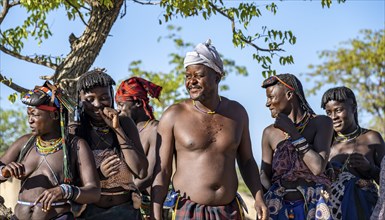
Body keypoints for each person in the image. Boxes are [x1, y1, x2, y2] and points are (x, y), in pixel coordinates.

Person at [151, 39, 268, 220]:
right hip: (188, 210)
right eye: (188, 76)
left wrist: (258, 197)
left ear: (217, 77)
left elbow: (246, 161)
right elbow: (163, 170)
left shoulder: (237, 113)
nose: (192, 81)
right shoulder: (174, 115)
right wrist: (156, 213)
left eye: (198, 75)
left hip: (229, 211)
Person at [0, 82, 100, 220]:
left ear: (54, 115)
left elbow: (94, 192)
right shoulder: (25, 142)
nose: (30, 120)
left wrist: (65, 191)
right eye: (28, 114)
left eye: (35, 115)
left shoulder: (75, 146)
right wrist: (4, 172)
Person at [75, 69, 149, 219]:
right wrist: (98, 175)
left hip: (127, 211)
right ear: (80, 99)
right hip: (90, 212)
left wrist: (117, 129)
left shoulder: (125, 123)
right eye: (89, 99)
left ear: (111, 97)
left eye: (104, 97)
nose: (97, 104)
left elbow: (141, 171)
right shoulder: (76, 130)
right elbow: (70, 179)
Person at [260, 74, 333, 219]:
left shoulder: (321, 123)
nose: (267, 103)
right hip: (278, 206)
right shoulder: (269, 133)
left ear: (289, 95)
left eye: (271, 97)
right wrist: (270, 201)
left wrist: (292, 132)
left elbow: (317, 167)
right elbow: (264, 175)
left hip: (314, 205)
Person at [321, 86, 385, 220]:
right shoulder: (325, 143)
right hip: (331, 211)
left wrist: (370, 168)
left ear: (353, 108)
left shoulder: (371, 138)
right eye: (328, 112)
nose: (333, 117)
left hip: (365, 211)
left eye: (338, 110)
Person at [115, 76, 162, 219]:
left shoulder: (155, 129)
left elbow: (150, 174)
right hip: (129, 200)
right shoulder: (127, 130)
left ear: (136, 103)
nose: (119, 110)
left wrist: (120, 193)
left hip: (150, 203)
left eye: (122, 105)